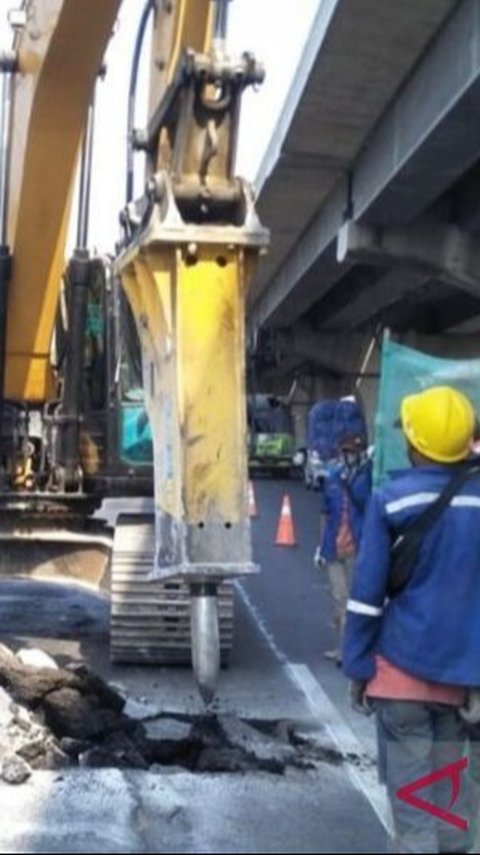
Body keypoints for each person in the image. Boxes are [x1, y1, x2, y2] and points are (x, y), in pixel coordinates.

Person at [343, 385, 480, 854]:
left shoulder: (392, 500)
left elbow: (366, 599)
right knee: (448, 808)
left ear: (416, 445)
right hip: (461, 685)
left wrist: (358, 667)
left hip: (400, 677)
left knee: (414, 818)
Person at [314, 433, 372, 665]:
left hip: (357, 547)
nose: (348, 457)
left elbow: (369, 509)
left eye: (352, 453)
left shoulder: (365, 479)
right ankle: (343, 649)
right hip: (333, 547)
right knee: (339, 598)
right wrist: (320, 546)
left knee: (356, 599)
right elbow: (325, 514)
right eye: (345, 452)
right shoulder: (333, 479)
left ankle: (353, 650)